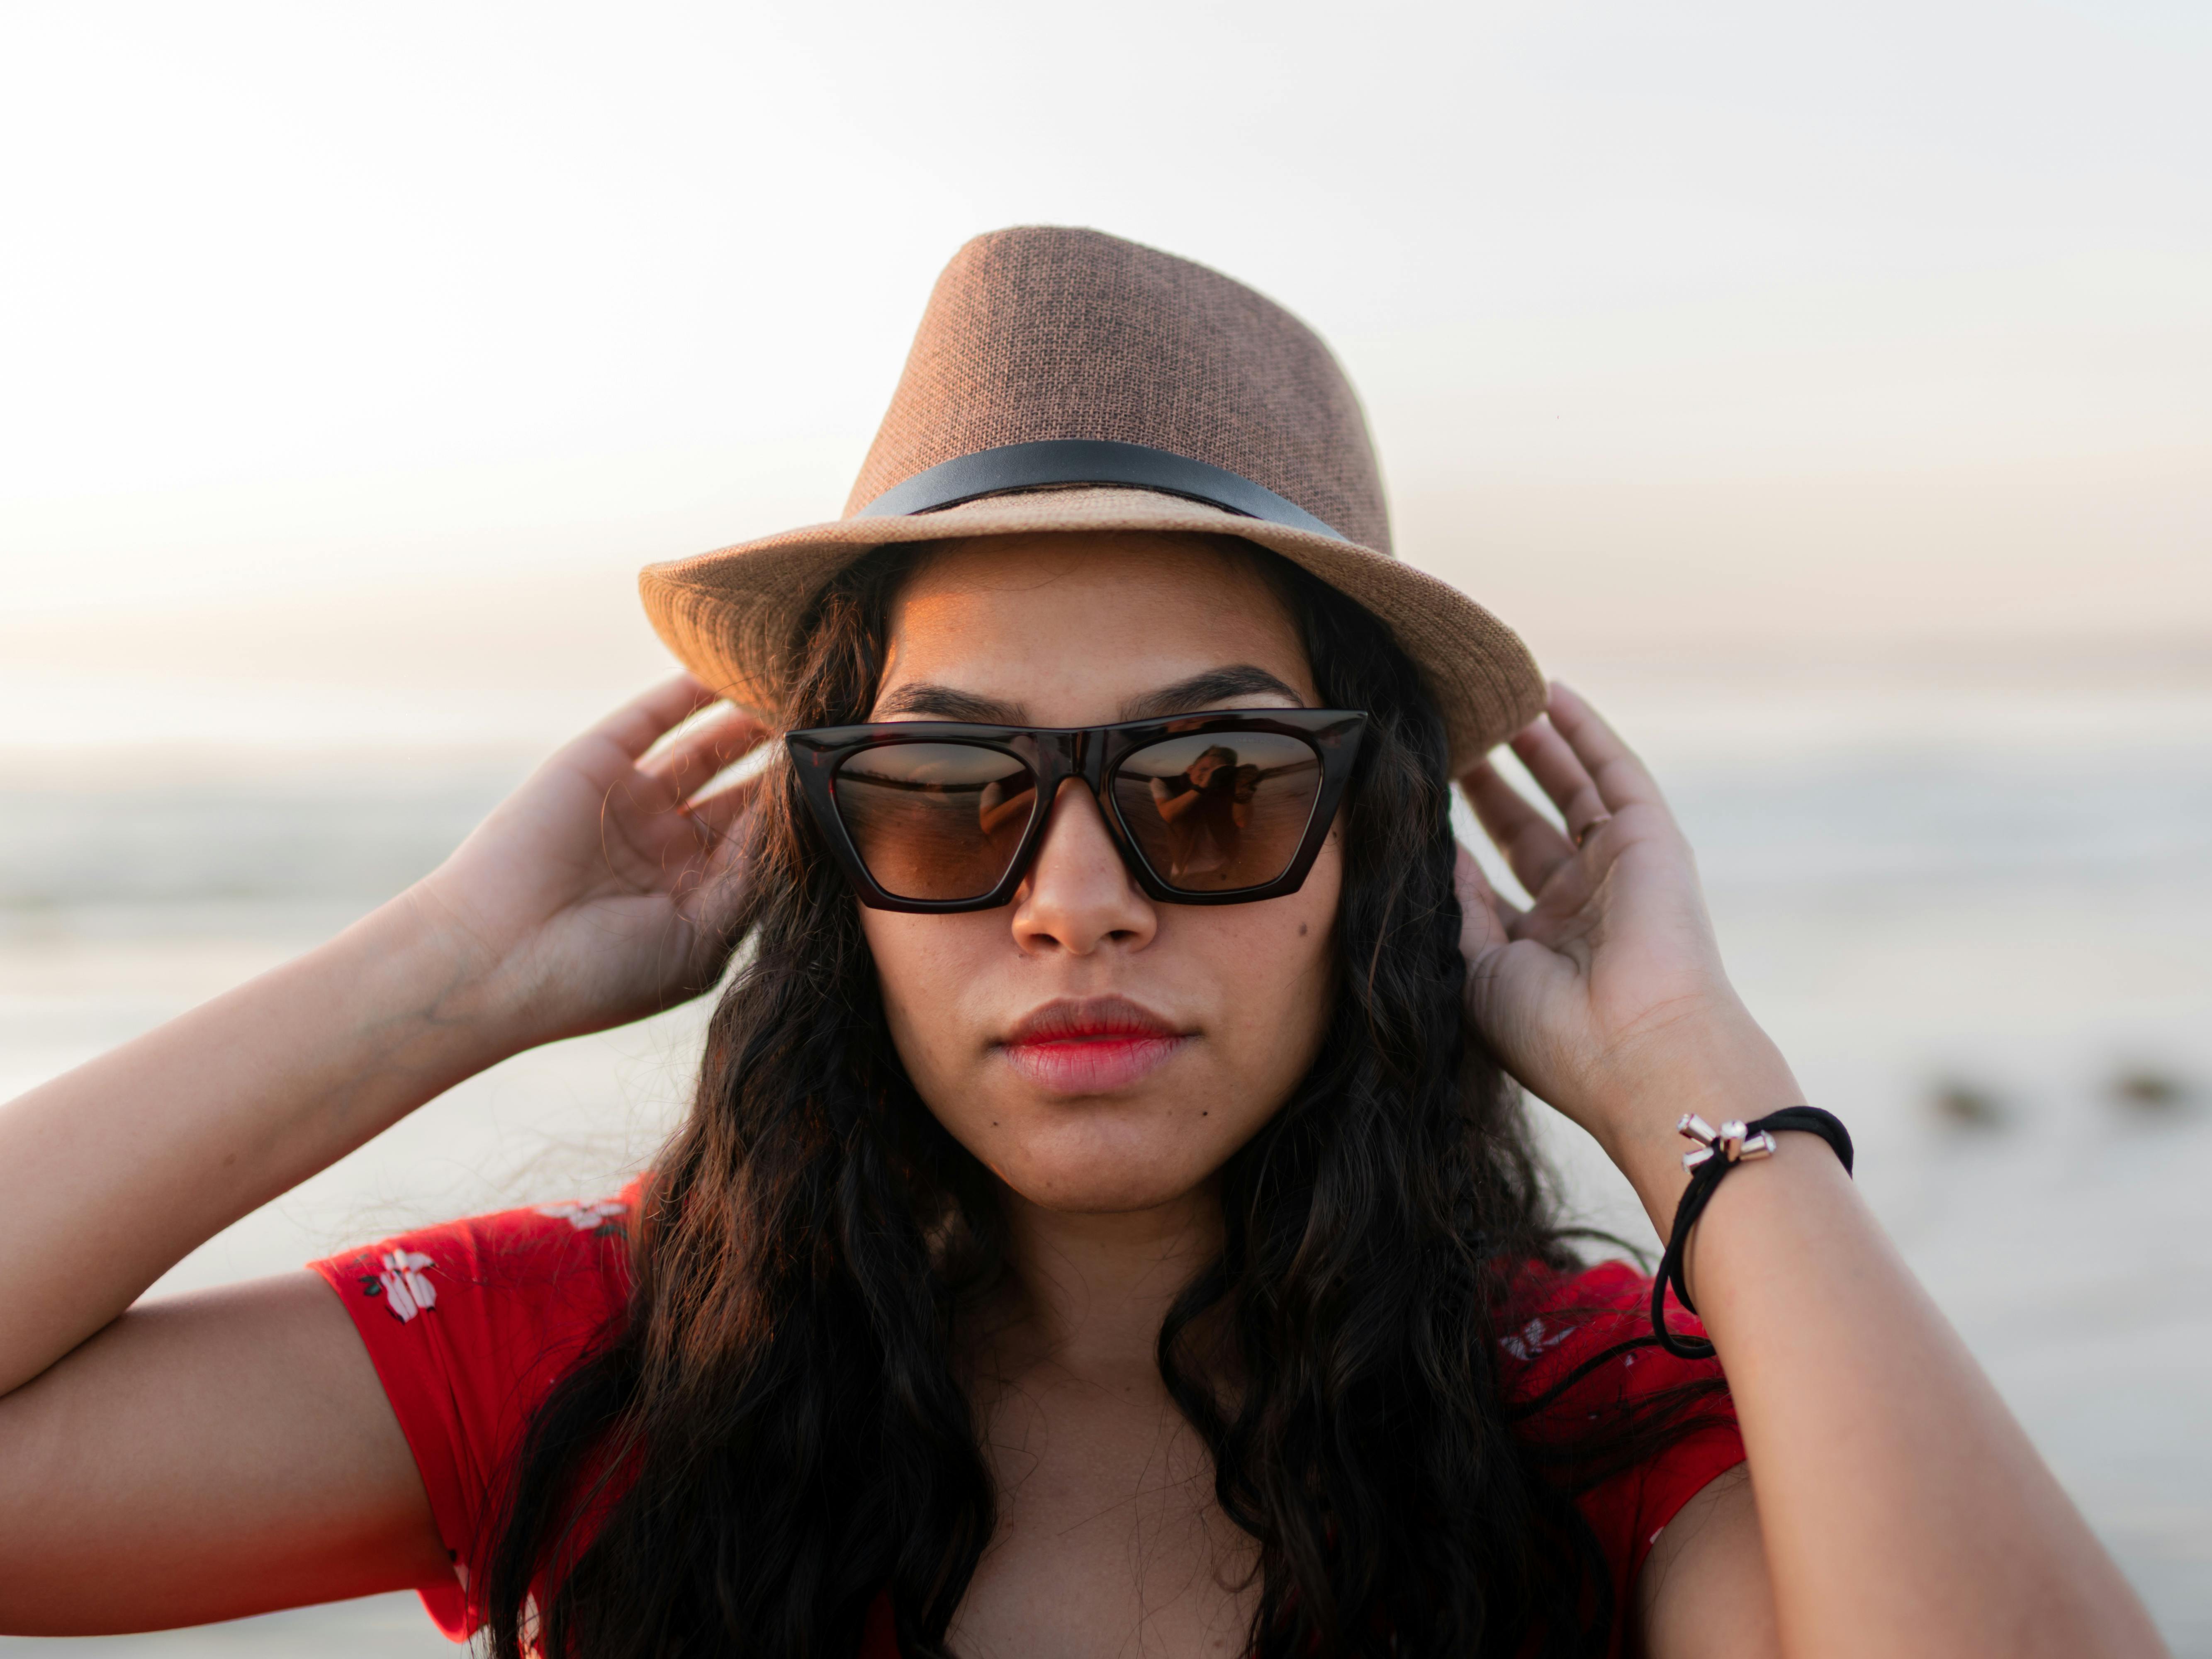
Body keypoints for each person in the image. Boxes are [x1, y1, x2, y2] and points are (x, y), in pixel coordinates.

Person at [0, 229, 2167, 1659]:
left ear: (1375, 858)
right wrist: (441, 979)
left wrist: (1686, 1073)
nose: (1072, 898)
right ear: (827, 865)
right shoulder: (611, 1367)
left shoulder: (1581, 1425)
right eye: (949, 797)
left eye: (1210, 786)